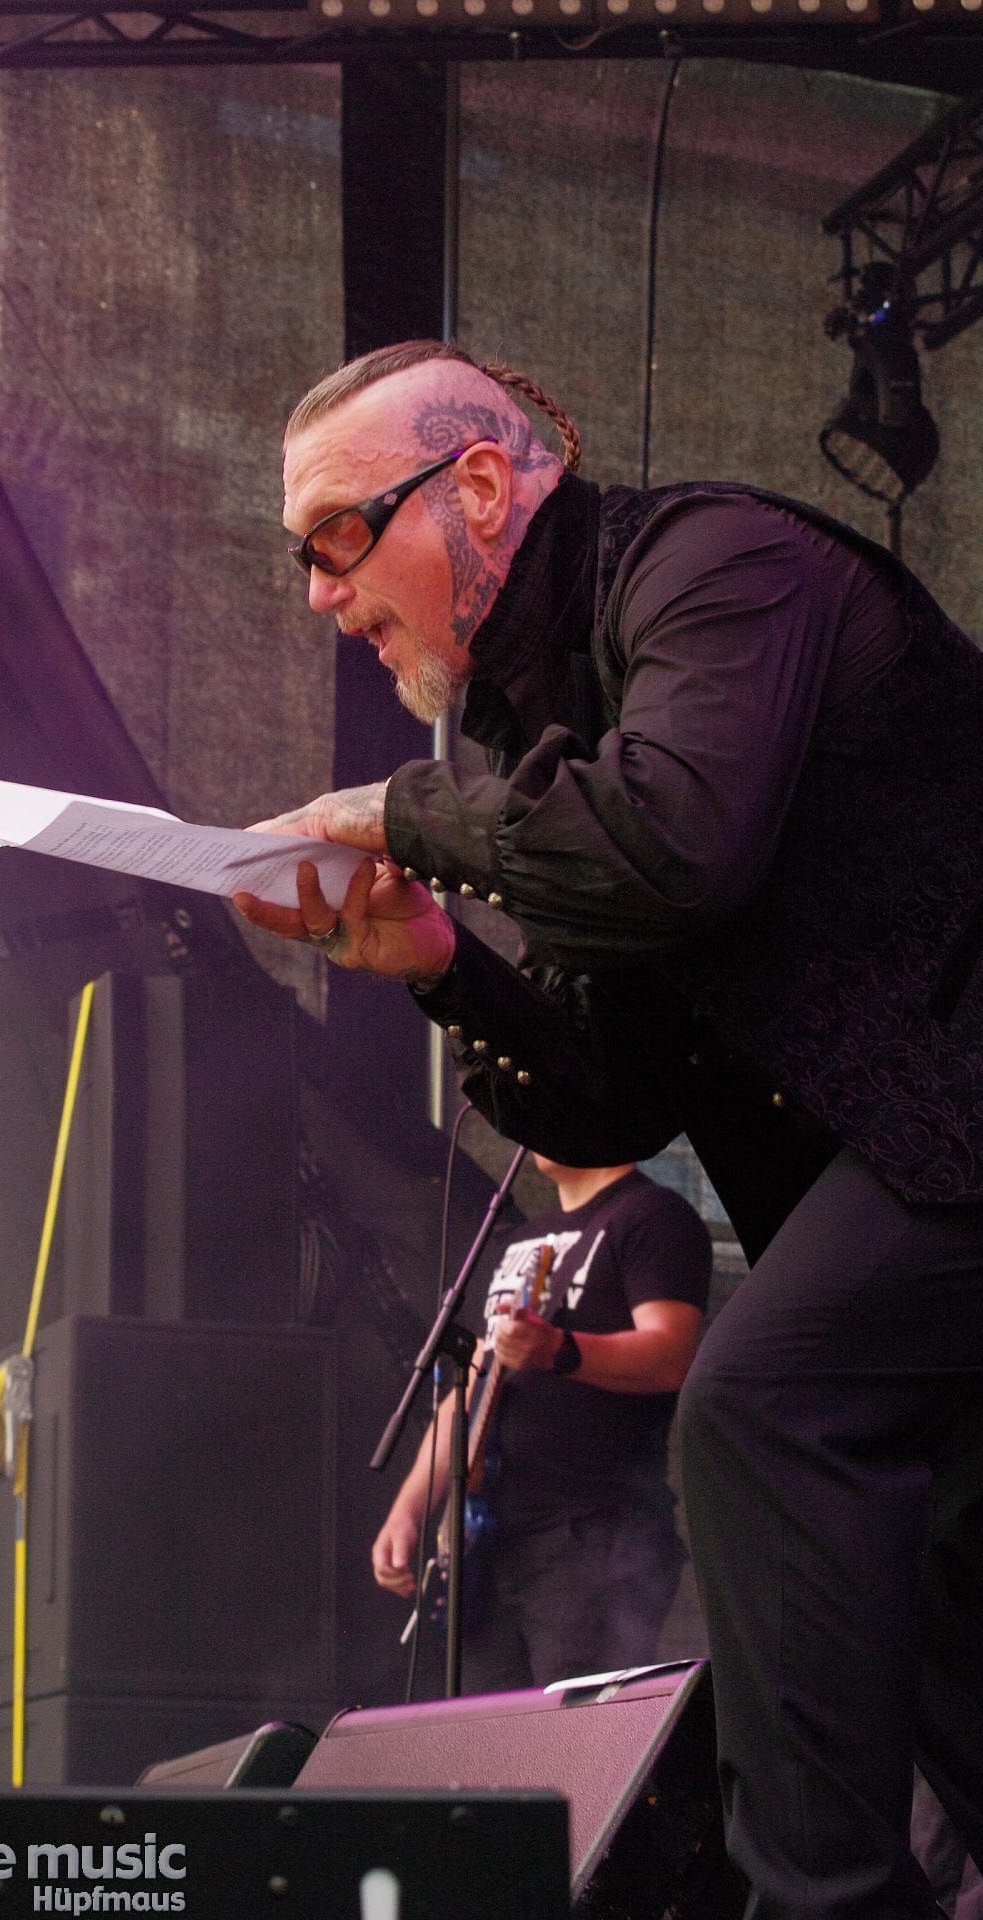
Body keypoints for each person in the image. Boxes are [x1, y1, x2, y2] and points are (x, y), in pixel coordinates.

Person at [233, 339, 983, 1920]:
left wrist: (395, 812)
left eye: (339, 538)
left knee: (764, 1408)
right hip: (920, 1179)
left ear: (477, 487)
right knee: (939, 1595)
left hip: (956, 1132)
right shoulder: (545, 739)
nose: (320, 594)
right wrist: (436, 963)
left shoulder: (717, 568)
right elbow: (614, 1099)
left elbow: (677, 845)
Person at [372, 1153, 711, 1693]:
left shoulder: (651, 1215)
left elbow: (671, 1356)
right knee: (487, 1734)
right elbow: (470, 1387)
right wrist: (409, 1508)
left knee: (579, 1728)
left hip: (591, 1535)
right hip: (489, 1544)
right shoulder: (522, 1240)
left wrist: (559, 1349)